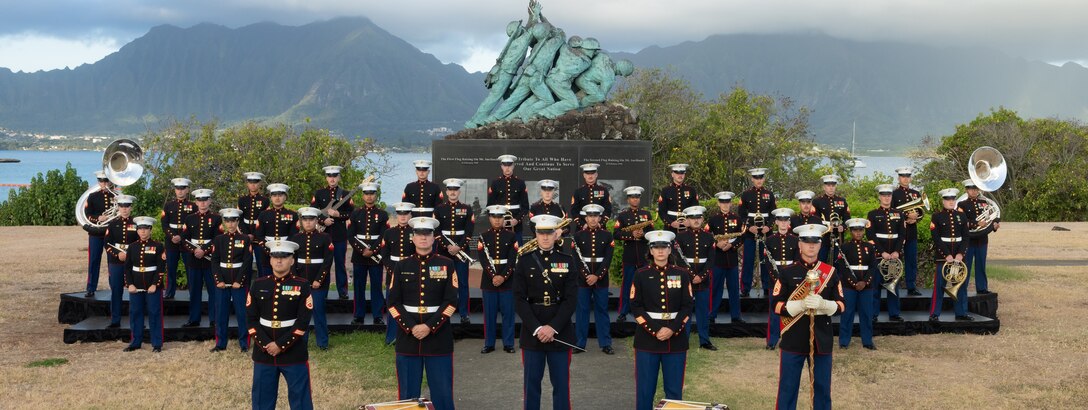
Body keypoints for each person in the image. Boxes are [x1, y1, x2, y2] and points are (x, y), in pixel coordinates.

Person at [387, 217, 459, 410]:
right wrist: (412, 327)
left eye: (427, 233)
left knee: (442, 392)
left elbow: (451, 301)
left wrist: (429, 326)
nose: (423, 237)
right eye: (419, 234)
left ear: (434, 238)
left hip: (438, 337)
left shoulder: (447, 264)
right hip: (408, 337)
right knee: (408, 396)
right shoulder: (401, 266)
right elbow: (393, 302)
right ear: (413, 238)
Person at [772, 224, 844, 410]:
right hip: (793, 338)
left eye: (815, 242)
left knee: (822, 390)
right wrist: (800, 305)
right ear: (799, 244)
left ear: (820, 245)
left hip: (821, 339)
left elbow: (842, 305)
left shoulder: (830, 272)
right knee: (787, 389)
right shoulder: (787, 272)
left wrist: (824, 305)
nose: (811, 245)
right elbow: (776, 305)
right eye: (806, 241)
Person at [514, 214, 579, 410]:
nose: (545, 237)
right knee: (531, 386)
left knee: (561, 386)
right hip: (532, 333)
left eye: (549, 233)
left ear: (556, 234)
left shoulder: (567, 261)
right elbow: (519, 299)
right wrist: (537, 328)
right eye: (541, 233)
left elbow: (571, 300)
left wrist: (552, 327)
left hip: (560, 332)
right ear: (535, 234)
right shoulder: (524, 261)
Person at [630, 230, 694, 410]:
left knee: (674, 391)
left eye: (664, 247)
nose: (660, 251)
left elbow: (687, 305)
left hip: (676, 339)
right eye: (656, 247)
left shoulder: (682, 274)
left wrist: (672, 329)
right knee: (645, 390)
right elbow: (635, 306)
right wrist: (656, 329)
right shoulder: (640, 274)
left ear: (670, 250)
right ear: (650, 251)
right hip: (647, 340)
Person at [247, 240, 314, 410]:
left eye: (284, 256)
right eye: (275, 256)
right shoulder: (258, 284)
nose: (279, 260)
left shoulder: (302, 285)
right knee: (262, 401)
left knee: (301, 401)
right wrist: (266, 345)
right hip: (264, 353)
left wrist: (280, 345)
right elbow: (251, 319)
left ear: (292, 260)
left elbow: (303, 322)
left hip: (293, 352)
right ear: (270, 260)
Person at [572, 204, 614, 354]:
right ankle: (579, 343)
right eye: (590, 216)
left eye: (596, 216)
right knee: (582, 311)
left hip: (601, 279)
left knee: (602, 310)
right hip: (583, 280)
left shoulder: (607, 235)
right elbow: (576, 259)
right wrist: (587, 275)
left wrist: (597, 276)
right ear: (586, 218)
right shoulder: (578, 236)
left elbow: (608, 259)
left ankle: (605, 343)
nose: (593, 219)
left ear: (600, 218)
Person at [209, 207, 252, 352]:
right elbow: (215, 261)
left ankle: (244, 343)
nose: (230, 224)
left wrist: (239, 281)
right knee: (221, 314)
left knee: (242, 314)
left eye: (233, 221)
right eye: (227, 221)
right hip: (222, 282)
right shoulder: (219, 239)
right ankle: (220, 343)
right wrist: (218, 280)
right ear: (224, 222)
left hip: (239, 282)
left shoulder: (245, 239)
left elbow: (247, 262)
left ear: (238, 221)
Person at [290, 207, 335, 350]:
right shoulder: (296, 238)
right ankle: (300, 341)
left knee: (318, 312)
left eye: (311, 219)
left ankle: (322, 343)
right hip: (300, 280)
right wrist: (295, 279)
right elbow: (292, 261)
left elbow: (327, 261)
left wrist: (319, 280)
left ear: (316, 221)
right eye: (305, 220)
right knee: (301, 313)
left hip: (318, 282)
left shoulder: (325, 237)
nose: (308, 222)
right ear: (301, 221)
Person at [674, 205, 717, 351]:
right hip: (686, 279)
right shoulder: (680, 237)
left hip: (703, 280)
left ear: (703, 219)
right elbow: (679, 259)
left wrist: (702, 276)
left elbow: (711, 260)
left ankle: (704, 340)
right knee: (685, 310)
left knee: (703, 311)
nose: (696, 220)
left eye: (698, 217)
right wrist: (692, 275)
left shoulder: (709, 237)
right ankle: (683, 340)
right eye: (692, 218)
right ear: (687, 220)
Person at [478, 205, 519, 354]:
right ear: (489, 218)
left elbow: (513, 259)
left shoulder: (512, 236)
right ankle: (489, 344)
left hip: (507, 281)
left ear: (503, 219)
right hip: (489, 281)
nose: (497, 220)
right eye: (494, 217)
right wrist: (494, 276)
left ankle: (508, 344)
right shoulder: (483, 236)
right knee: (489, 315)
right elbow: (483, 260)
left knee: (508, 314)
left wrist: (503, 276)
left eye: (500, 217)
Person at [435, 178, 476, 325]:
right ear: (446, 192)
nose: (453, 192)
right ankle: (441, 313)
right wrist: (447, 246)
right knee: (441, 283)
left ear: (459, 192)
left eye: (455, 190)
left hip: (461, 251)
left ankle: (464, 313)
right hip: (443, 252)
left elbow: (469, 231)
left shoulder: (467, 209)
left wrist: (459, 247)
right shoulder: (439, 209)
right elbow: (436, 231)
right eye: (450, 190)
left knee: (463, 283)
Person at [310, 165, 355, 300]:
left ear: (339, 177)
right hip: (322, 236)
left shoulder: (345, 194)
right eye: (330, 176)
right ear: (326, 178)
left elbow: (352, 213)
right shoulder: (319, 193)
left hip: (339, 235)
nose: (332, 179)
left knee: (340, 264)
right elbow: (312, 211)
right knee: (323, 264)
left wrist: (338, 214)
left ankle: (342, 291)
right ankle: (323, 290)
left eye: (335, 176)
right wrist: (323, 220)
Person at [347, 181, 388, 325]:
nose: (369, 196)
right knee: (359, 287)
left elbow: (384, 235)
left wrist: (373, 250)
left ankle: (378, 316)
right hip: (359, 256)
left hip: (376, 256)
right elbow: (351, 235)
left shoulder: (382, 214)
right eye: (366, 194)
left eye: (372, 193)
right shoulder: (355, 213)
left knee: (377, 286)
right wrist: (362, 250)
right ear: (363, 195)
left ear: (376, 195)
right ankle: (359, 315)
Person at [123, 216, 165, 353]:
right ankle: (135, 342)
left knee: (154, 313)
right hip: (136, 286)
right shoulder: (132, 247)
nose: (142, 231)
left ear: (150, 230)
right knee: (135, 313)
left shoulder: (158, 246)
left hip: (152, 286)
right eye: (140, 229)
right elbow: (127, 268)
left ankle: (157, 343)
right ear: (137, 230)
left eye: (145, 229)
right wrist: (129, 284)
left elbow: (161, 268)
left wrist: (155, 284)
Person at [181, 188, 221, 328]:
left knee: (213, 291)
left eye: (205, 200)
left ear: (210, 201)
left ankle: (214, 319)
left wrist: (204, 250)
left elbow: (218, 238)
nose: (202, 203)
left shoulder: (216, 218)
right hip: (194, 260)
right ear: (196, 202)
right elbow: (184, 239)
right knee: (194, 291)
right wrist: (195, 250)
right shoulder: (189, 218)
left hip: (210, 260)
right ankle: (194, 319)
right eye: (200, 200)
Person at [930, 188, 971, 322]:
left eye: (953, 199)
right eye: (948, 199)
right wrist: (946, 255)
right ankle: (934, 314)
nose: (951, 202)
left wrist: (960, 254)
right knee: (939, 286)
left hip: (958, 257)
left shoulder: (962, 216)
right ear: (943, 201)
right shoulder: (936, 216)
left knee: (959, 285)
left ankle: (961, 313)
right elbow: (936, 238)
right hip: (943, 257)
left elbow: (966, 237)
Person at [379, 202, 417, 344]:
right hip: (393, 274)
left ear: (410, 215)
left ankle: (409, 335)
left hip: (411, 273)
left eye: (406, 213)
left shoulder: (416, 232)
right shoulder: (389, 233)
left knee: (410, 306)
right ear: (397, 215)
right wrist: (394, 271)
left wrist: (410, 270)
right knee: (393, 306)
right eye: (400, 213)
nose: (403, 216)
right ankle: (391, 337)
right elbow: (384, 255)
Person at [613, 186, 652, 323]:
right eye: (632, 197)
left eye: (637, 197)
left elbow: (651, 233)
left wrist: (643, 234)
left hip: (643, 255)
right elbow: (616, 234)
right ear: (628, 199)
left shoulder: (646, 214)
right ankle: (623, 312)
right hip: (629, 256)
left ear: (639, 199)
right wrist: (631, 234)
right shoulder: (623, 216)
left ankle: (646, 311)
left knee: (645, 284)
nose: (635, 199)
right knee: (627, 285)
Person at [868, 184, 905, 323]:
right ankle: (873, 314)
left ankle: (894, 314)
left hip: (894, 257)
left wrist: (896, 251)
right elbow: (871, 236)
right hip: (879, 256)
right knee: (875, 287)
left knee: (893, 286)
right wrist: (881, 252)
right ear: (879, 197)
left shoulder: (899, 213)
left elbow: (902, 235)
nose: (886, 198)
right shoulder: (872, 214)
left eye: (889, 195)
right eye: (884, 195)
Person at [838, 218, 876, 350]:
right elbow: (843, 268)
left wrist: (865, 282)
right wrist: (854, 283)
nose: (858, 233)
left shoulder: (869, 247)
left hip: (866, 286)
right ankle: (844, 341)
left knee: (866, 314)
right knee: (847, 314)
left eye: (861, 230)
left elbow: (873, 267)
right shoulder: (844, 247)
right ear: (850, 231)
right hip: (849, 286)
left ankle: (867, 341)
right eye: (855, 230)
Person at [738, 168, 776, 297]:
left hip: (765, 233)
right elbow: (741, 214)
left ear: (764, 179)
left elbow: (773, 214)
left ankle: (767, 287)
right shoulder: (746, 194)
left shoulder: (769, 194)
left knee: (766, 260)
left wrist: (769, 227)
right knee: (748, 261)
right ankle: (745, 289)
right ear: (752, 179)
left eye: (761, 178)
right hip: (750, 233)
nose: (759, 180)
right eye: (756, 178)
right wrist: (749, 227)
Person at [707, 191, 743, 324]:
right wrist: (717, 244)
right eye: (722, 202)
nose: (725, 205)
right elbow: (707, 236)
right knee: (716, 288)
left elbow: (742, 236)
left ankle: (736, 316)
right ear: (718, 203)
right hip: (718, 259)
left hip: (732, 259)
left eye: (727, 202)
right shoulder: (713, 219)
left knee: (734, 289)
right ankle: (712, 314)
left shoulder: (737, 218)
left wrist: (732, 245)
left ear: (731, 203)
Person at [764, 207, 798, 349]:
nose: (783, 223)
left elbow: (796, 262)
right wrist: (776, 278)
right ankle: (772, 340)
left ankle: (790, 339)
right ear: (776, 222)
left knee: (791, 310)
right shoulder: (769, 240)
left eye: (786, 220)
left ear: (789, 222)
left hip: (790, 281)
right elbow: (767, 262)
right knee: (774, 311)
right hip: (775, 281)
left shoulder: (795, 240)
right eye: (780, 220)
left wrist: (789, 279)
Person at [959, 179, 999, 294]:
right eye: (971, 189)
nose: (974, 191)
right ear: (966, 190)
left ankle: (982, 289)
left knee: (981, 265)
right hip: (968, 239)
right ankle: (962, 289)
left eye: (976, 188)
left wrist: (995, 224)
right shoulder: (962, 204)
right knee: (966, 265)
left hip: (982, 239)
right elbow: (962, 221)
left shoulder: (985, 202)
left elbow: (994, 214)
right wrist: (976, 223)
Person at [103, 194, 137, 328]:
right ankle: (115, 320)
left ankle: (136, 321)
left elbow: (140, 242)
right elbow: (107, 244)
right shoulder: (112, 224)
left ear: (131, 208)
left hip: (132, 262)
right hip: (116, 262)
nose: (124, 209)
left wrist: (129, 255)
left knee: (135, 291)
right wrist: (118, 254)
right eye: (122, 206)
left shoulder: (137, 224)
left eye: (127, 206)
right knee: (116, 291)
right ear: (118, 207)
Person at [891, 166, 924, 296]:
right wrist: (906, 216)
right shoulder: (893, 194)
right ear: (899, 178)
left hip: (911, 231)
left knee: (911, 260)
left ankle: (911, 286)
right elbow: (891, 211)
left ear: (910, 178)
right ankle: (894, 285)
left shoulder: (916, 193)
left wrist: (916, 217)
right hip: (897, 232)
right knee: (896, 260)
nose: (905, 179)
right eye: (903, 176)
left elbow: (920, 211)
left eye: (908, 176)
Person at [254, 183, 299, 277]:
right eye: (274, 195)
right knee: (265, 280)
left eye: (280, 195)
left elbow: (294, 235)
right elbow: (259, 235)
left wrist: (284, 249)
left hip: (285, 253)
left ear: (285, 197)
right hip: (266, 253)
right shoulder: (263, 215)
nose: (277, 198)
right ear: (271, 197)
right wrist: (268, 250)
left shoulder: (292, 215)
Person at [82, 170, 115, 297]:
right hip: (96, 234)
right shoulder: (92, 196)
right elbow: (87, 214)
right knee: (94, 261)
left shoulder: (116, 196)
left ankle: (114, 287)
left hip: (111, 234)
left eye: (106, 181)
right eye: (101, 181)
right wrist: (98, 218)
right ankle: (91, 288)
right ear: (98, 182)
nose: (104, 183)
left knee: (113, 262)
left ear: (110, 181)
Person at [160, 177, 194, 299]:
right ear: (175, 190)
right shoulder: (168, 205)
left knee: (190, 268)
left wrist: (181, 236)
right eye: (178, 188)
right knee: (171, 268)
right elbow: (164, 224)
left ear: (187, 190)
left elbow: (193, 225)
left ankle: (193, 293)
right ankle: (169, 292)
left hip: (186, 240)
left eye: (183, 188)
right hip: (171, 241)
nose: (180, 191)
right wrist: (172, 236)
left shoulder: (193, 206)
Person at [487, 154, 530, 244]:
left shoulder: (520, 183)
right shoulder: (495, 183)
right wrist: (497, 222)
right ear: (501, 166)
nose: (507, 168)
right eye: (505, 165)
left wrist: (517, 220)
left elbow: (525, 207)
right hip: (499, 223)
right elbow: (489, 206)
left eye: (509, 165)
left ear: (513, 166)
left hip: (516, 225)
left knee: (517, 249)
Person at [812, 175, 850, 263]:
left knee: (838, 262)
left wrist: (843, 227)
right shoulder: (817, 201)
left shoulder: (842, 201)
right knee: (821, 261)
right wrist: (828, 227)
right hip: (823, 237)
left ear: (835, 186)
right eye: (828, 185)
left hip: (838, 237)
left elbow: (847, 219)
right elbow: (815, 219)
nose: (831, 188)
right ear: (824, 187)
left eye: (833, 185)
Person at [238, 172, 269, 278]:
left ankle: (261, 286)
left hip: (259, 238)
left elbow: (265, 220)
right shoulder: (242, 200)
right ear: (247, 184)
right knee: (245, 266)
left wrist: (255, 235)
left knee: (262, 266)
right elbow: (239, 219)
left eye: (255, 182)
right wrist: (246, 234)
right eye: (250, 182)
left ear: (259, 184)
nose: (253, 185)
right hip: (245, 236)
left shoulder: (265, 200)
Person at [657, 163, 699, 233]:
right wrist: (670, 223)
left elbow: (695, 209)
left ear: (684, 175)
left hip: (687, 226)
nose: (680, 175)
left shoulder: (691, 190)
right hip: (671, 227)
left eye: (682, 173)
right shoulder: (666, 190)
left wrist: (690, 221)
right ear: (672, 174)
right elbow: (661, 211)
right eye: (677, 173)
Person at [570, 163, 612, 231]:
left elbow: (608, 209)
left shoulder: (603, 190)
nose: (590, 176)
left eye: (592, 173)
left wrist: (600, 223)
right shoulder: (578, 191)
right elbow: (574, 210)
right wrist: (582, 224)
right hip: (582, 228)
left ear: (596, 175)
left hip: (599, 228)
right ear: (584, 175)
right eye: (587, 174)